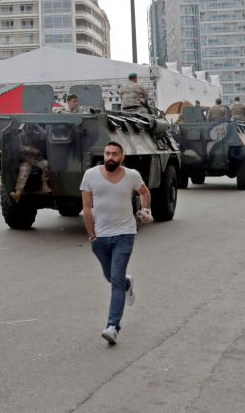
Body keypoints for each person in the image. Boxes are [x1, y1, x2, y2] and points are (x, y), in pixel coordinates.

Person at [81, 141, 151, 345]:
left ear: (122, 157)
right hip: (100, 237)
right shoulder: (90, 175)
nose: (110, 157)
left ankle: (113, 326)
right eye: (107, 153)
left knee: (116, 279)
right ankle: (128, 284)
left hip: (125, 234)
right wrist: (92, 235)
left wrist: (146, 211)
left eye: (114, 154)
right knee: (110, 276)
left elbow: (145, 193)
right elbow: (86, 207)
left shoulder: (132, 176)